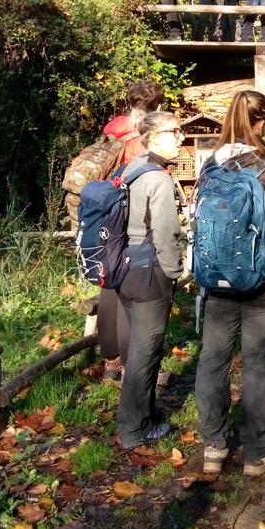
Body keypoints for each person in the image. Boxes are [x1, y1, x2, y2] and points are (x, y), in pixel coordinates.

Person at [194, 90, 265, 477]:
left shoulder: (210, 165)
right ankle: (259, 451)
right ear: (262, 122)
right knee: (258, 363)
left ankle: (214, 445)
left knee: (213, 360)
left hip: (214, 278)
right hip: (259, 281)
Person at [116, 111, 186, 450]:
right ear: (155, 137)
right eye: (175, 132)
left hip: (124, 269)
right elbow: (166, 232)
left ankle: (143, 416)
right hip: (150, 274)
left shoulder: (131, 168)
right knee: (145, 353)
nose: (181, 138)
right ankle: (134, 429)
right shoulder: (157, 178)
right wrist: (176, 271)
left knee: (137, 350)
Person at [98, 81, 166, 382]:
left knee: (109, 282)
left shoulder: (114, 127)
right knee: (130, 289)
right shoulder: (146, 136)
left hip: (106, 214)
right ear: (156, 105)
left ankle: (110, 360)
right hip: (134, 218)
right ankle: (130, 362)